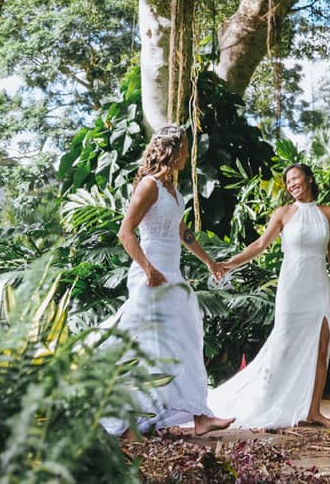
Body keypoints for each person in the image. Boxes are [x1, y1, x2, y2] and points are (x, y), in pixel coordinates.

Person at [99, 125, 234, 438]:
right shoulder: (149, 186)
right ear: (173, 152)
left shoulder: (174, 190)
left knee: (185, 341)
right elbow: (125, 233)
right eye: (185, 147)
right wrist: (147, 269)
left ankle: (200, 415)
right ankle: (132, 423)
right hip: (150, 275)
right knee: (149, 346)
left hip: (172, 274)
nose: (187, 152)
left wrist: (209, 261)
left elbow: (182, 232)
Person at [207, 162, 330, 428]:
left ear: (309, 179)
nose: (292, 184)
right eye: (288, 182)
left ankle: (313, 411)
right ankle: (266, 400)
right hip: (292, 286)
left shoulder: (328, 213)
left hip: (318, 285)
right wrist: (229, 263)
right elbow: (260, 245)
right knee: (283, 346)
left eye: (296, 179)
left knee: (322, 346)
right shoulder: (283, 213)